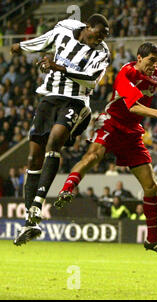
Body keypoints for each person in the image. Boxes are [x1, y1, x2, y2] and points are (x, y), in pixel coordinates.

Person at [54, 42, 157, 258]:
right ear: (139, 58)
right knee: (93, 155)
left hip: (132, 132)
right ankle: (67, 188)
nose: (154, 65)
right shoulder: (126, 73)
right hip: (112, 122)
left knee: (151, 186)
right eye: (151, 61)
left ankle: (153, 240)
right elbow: (132, 106)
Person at [13, 14, 111, 246]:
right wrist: (22, 46)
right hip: (49, 97)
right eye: (98, 35)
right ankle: (30, 220)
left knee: (54, 142)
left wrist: (59, 67)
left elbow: (91, 80)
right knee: (33, 156)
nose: (100, 40)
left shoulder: (102, 52)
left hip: (76, 100)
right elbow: (46, 39)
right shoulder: (66, 28)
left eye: (104, 37)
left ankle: (38, 204)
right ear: (88, 27)